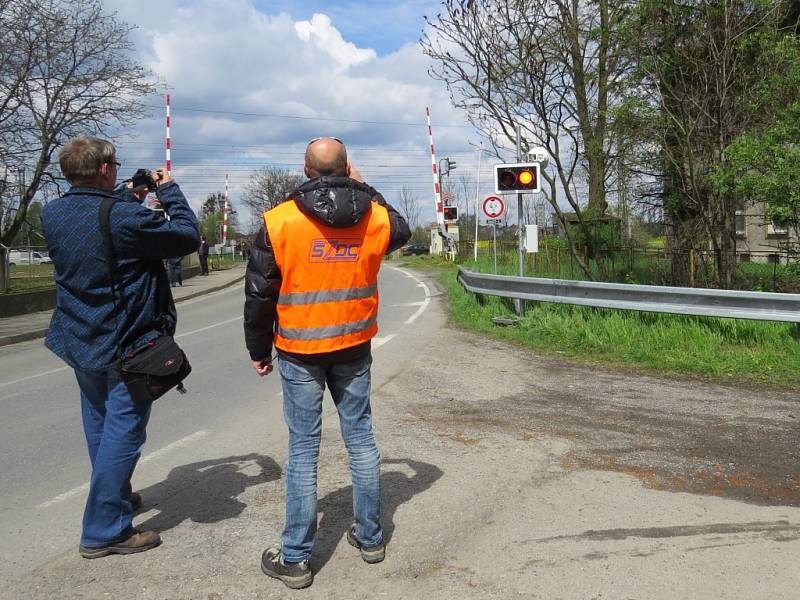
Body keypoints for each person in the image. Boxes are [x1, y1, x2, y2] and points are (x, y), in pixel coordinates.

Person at [243, 137, 410, 589]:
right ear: (347, 168)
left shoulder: (278, 222)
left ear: (305, 168)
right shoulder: (374, 218)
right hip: (353, 346)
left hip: (299, 351)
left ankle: (295, 558)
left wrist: (259, 350)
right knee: (360, 438)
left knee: (302, 450)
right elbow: (403, 227)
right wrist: (364, 186)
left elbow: (260, 296)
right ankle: (370, 537)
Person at [41, 136, 199, 558]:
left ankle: (116, 496)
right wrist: (168, 191)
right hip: (126, 342)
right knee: (125, 432)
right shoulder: (124, 218)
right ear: (106, 169)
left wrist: (126, 197)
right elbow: (186, 236)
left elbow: (95, 223)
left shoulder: (52, 212)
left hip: (79, 337)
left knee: (99, 424)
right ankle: (104, 530)